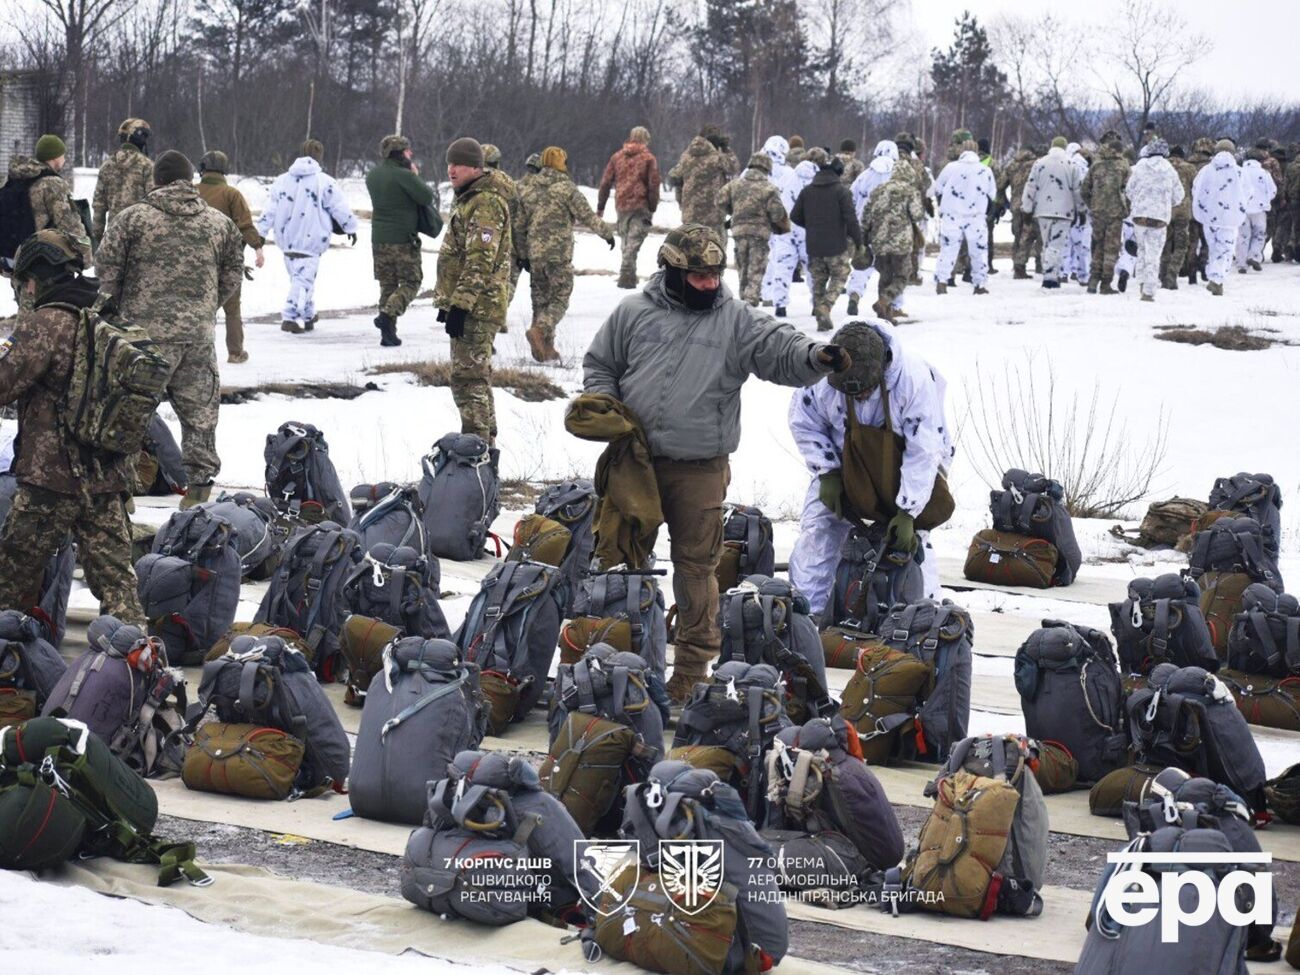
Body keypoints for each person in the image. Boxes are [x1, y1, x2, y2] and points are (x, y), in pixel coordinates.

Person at [582, 224, 850, 702]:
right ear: (672, 270)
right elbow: (601, 364)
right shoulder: (633, 312)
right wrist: (604, 403)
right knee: (621, 561)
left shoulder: (736, 320)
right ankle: (624, 661)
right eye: (698, 276)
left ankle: (689, 672)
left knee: (695, 568)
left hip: (699, 468)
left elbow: (781, 347)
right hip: (634, 461)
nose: (709, 284)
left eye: (714, 275)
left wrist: (817, 356)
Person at [0, 231, 145, 623]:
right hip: (106, 475)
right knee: (118, 584)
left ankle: (7, 659)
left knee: (10, 576)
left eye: (27, 280)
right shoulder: (106, 316)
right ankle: (138, 662)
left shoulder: (44, 323)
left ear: (38, 278)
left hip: (52, 479)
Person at [96, 150, 242, 508]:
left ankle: (122, 493)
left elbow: (106, 270)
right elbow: (232, 273)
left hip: (141, 339)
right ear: (190, 179)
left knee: (130, 412)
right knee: (200, 414)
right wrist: (205, 308)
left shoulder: (132, 220)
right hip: (196, 336)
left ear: (156, 180)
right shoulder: (219, 223)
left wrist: (111, 311)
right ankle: (198, 492)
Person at [788, 320, 953, 612]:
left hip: (908, 465)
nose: (859, 397)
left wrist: (908, 511)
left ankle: (925, 619)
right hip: (843, 463)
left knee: (912, 543)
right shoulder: (821, 378)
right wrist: (827, 472)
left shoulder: (912, 380)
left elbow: (924, 450)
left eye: (864, 390)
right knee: (819, 529)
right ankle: (808, 614)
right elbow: (805, 422)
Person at [435, 137, 512, 443]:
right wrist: (447, 302)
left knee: (468, 382)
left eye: (460, 164)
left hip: (479, 307)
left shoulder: (485, 203)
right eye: (450, 164)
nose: (452, 170)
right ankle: (484, 447)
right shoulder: (469, 198)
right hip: (472, 305)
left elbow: (480, 261)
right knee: (474, 379)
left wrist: (461, 305)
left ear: (476, 167)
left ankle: (476, 450)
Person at [516, 145, 615, 362]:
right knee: (560, 297)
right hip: (558, 254)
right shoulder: (566, 188)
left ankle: (544, 349)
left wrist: (522, 254)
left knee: (540, 301)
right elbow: (587, 216)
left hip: (535, 256)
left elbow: (519, 226)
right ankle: (541, 331)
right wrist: (607, 234)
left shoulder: (528, 189)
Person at [256, 139, 357, 334]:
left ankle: (309, 314)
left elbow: (270, 209)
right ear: (320, 157)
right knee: (303, 280)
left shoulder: (282, 180)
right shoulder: (324, 182)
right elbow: (339, 207)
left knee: (300, 279)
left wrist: (260, 233)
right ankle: (290, 317)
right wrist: (350, 227)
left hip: (287, 241)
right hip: (311, 242)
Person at [2, 134, 92, 311]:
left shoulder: (18, 178)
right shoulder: (53, 184)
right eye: (63, 155)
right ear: (54, 158)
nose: (64, 159)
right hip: (45, 266)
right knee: (41, 321)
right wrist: (85, 257)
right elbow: (70, 224)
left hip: (18, 262)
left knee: (26, 313)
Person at [366, 134, 436, 348]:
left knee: (388, 286)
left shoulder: (372, 175)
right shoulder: (404, 175)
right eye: (407, 151)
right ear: (399, 153)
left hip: (379, 239)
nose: (411, 154)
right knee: (411, 282)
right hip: (403, 240)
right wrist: (414, 175)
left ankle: (388, 334)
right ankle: (387, 315)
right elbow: (426, 197)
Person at [195, 150, 264, 363]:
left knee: (197, 308)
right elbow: (245, 225)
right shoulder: (232, 194)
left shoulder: (191, 191)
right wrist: (258, 248)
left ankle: (196, 352)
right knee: (232, 309)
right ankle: (235, 352)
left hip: (195, 261)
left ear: (203, 168)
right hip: (228, 263)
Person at [791, 147, 862, 331]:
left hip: (814, 245)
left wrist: (813, 226)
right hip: (836, 245)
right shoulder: (841, 191)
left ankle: (819, 312)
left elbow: (794, 216)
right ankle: (826, 306)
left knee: (818, 280)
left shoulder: (807, 191)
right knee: (840, 275)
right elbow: (851, 219)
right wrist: (859, 241)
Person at [717, 152, 790, 306]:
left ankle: (743, 302)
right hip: (760, 234)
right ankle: (750, 305)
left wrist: (735, 211)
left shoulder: (734, 185)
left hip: (739, 232)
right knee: (755, 272)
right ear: (767, 168)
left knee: (742, 271)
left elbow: (720, 200)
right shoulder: (770, 188)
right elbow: (777, 214)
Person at [597, 126, 660, 290]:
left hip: (622, 205)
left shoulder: (616, 157)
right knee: (634, 242)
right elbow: (654, 184)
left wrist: (601, 206)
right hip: (641, 205)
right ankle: (626, 275)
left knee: (626, 241)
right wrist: (653, 206)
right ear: (646, 139)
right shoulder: (648, 158)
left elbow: (605, 183)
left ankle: (629, 276)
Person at [931, 139, 996, 295]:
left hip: (952, 215)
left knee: (948, 250)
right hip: (976, 217)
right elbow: (992, 194)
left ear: (962, 152)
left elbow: (937, 188)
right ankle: (979, 285)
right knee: (978, 251)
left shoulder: (951, 167)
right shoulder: (985, 170)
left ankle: (942, 282)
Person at [1123, 138, 1184, 302]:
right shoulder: (1169, 169)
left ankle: (1142, 283)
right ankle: (1149, 291)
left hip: (1140, 217)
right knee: (1154, 255)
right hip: (1159, 219)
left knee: (1141, 251)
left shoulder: (1140, 166)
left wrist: (1138, 201)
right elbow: (1179, 196)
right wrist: (1166, 203)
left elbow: (1129, 190)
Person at [861, 164, 923, 322]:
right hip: (901, 242)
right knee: (903, 275)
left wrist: (864, 237)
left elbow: (866, 216)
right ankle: (884, 301)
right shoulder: (910, 190)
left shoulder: (878, 189)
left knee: (885, 275)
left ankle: (885, 314)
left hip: (879, 240)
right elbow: (917, 215)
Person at [1021, 137, 1083, 288]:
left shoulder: (1039, 163)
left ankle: (1049, 273)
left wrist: (1027, 209)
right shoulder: (1071, 164)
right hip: (1064, 211)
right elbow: (1077, 190)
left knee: (1047, 244)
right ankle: (1050, 277)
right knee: (1056, 245)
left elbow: (1030, 187)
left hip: (1042, 210)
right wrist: (1081, 210)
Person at [844, 140, 897, 315]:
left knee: (863, 265)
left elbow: (850, 198)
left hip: (864, 228)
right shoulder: (896, 176)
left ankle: (854, 296)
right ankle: (887, 304)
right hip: (889, 230)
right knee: (889, 268)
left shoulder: (865, 175)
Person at [1192, 139, 1245, 295]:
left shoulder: (1206, 170)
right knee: (1226, 250)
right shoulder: (1239, 171)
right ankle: (1217, 280)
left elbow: (1196, 188)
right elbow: (1248, 193)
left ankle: (1214, 277)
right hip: (1230, 218)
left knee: (1214, 248)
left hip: (1209, 217)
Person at [1081, 131, 1131, 294]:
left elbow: (1084, 190)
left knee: (1097, 246)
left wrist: (1092, 204)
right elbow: (1129, 189)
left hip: (1097, 211)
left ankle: (1093, 280)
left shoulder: (1096, 164)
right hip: (1116, 212)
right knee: (1111, 248)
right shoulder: (1124, 165)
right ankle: (1106, 284)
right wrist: (1126, 207)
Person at [667, 125, 736, 241]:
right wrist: (726, 148)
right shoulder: (717, 158)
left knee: (691, 252)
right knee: (715, 253)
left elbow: (674, 177)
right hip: (713, 217)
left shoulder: (686, 156)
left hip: (690, 216)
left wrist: (682, 203)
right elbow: (733, 166)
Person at [481, 143, 527, 316]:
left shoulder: (468, 179)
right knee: (505, 281)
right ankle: (497, 316)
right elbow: (517, 219)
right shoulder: (507, 182)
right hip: (501, 241)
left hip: (474, 240)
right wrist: (521, 251)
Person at [92, 118, 153, 248]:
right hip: (141, 239)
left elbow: (99, 207)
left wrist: (96, 241)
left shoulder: (107, 166)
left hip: (114, 238)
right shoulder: (147, 166)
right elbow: (154, 203)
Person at [759, 136, 802, 317]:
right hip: (782, 222)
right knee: (779, 260)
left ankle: (763, 292)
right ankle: (775, 296)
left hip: (758, 221)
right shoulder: (790, 173)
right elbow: (796, 198)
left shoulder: (754, 171)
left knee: (761, 258)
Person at [1000, 146, 1041, 278]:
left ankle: (1017, 265)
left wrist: (1004, 202)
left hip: (1016, 206)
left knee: (1018, 236)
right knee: (1031, 236)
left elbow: (1000, 185)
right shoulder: (1037, 164)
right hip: (1032, 206)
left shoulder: (1011, 166)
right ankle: (1035, 265)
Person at [1160, 145, 1197, 289]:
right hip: (1183, 211)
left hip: (1164, 211)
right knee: (1181, 246)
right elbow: (1196, 187)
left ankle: (1163, 274)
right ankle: (1172, 274)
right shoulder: (1189, 168)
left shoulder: (1163, 166)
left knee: (1165, 245)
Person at [1236, 152, 1276, 272]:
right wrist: (1266, 200)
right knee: (1259, 234)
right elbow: (1272, 190)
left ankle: (1241, 263)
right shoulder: (1264, 173)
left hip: (1242, 209)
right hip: (1259, 209)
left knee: (1243, 236)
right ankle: (1254, 255)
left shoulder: (1240, 172)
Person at [1065, 143, 1091, 287]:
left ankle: (1063, 272)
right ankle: (1080, 272)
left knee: (1065, 242)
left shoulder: (1066, 165)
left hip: (1065, 208)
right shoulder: (1085, 167)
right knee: (1081, 243)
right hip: (1081, 209)